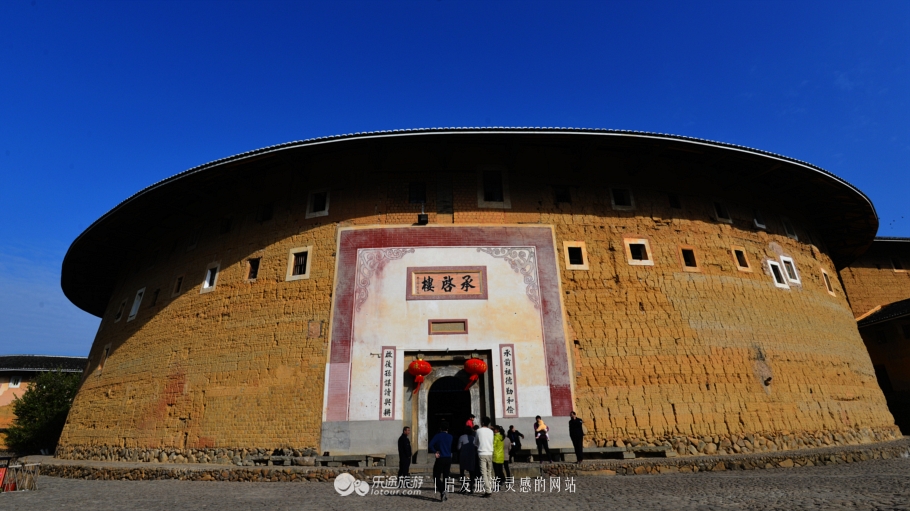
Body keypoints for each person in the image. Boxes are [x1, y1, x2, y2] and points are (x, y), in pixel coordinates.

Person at [428, 421, 454, 502]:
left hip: (441, 458)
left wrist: (435, 451)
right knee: (446, 476)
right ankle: (444, 492)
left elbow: (430, 445)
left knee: (436, 476)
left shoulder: (438, 436)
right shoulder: (450, 437)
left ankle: (442, 490)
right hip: (448, 458)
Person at [474, 416, 494, 498]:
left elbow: (475, 442)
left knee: (483, 473)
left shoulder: (478, 431)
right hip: (490, 452)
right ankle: (489, 488)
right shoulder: (491, 431)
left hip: (482, 453)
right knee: (489, 472)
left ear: (482, 423)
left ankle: (488, 490)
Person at [456, 426, 478, 493]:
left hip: (463, 457)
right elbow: (476, 447)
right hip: (471, 457)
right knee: (471, 473)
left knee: (462, 473)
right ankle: (471, 488)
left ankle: (463, 487)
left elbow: (458, 447)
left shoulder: (461, 437)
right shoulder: (473, 438)